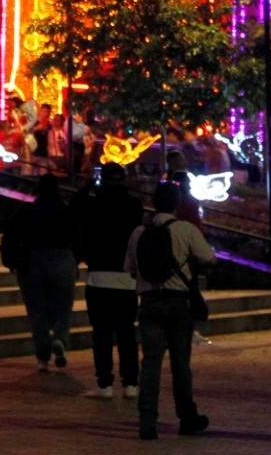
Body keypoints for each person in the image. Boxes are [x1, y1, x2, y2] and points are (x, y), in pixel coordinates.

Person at [125, 181, 216, 440]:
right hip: (178, 304)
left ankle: (147, 421)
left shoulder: (138, 233)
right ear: (176, 203)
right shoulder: (185, 229)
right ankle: (187, 417)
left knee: (151, 363)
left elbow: (130, 268)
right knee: (180, 363)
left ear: (153, 203)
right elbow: (209, 258)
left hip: (150, 303)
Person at [74, 162, 143, 400]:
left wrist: (87, 187)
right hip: (126, 278)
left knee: (102, 333)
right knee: (126, 333)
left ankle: (104, 383)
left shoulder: (93, 204)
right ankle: (131, 382)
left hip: (99, 276)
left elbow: (74, 212)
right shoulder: (134, 205)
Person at [12, 175, 77, 373]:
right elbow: (77, 235)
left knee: (37, 310)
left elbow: (15, 234)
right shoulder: (66, 211)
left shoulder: (28, 211)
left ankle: (42, 357)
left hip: (34, 259)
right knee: (63, 305)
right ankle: (59, 338)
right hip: (63, 257)